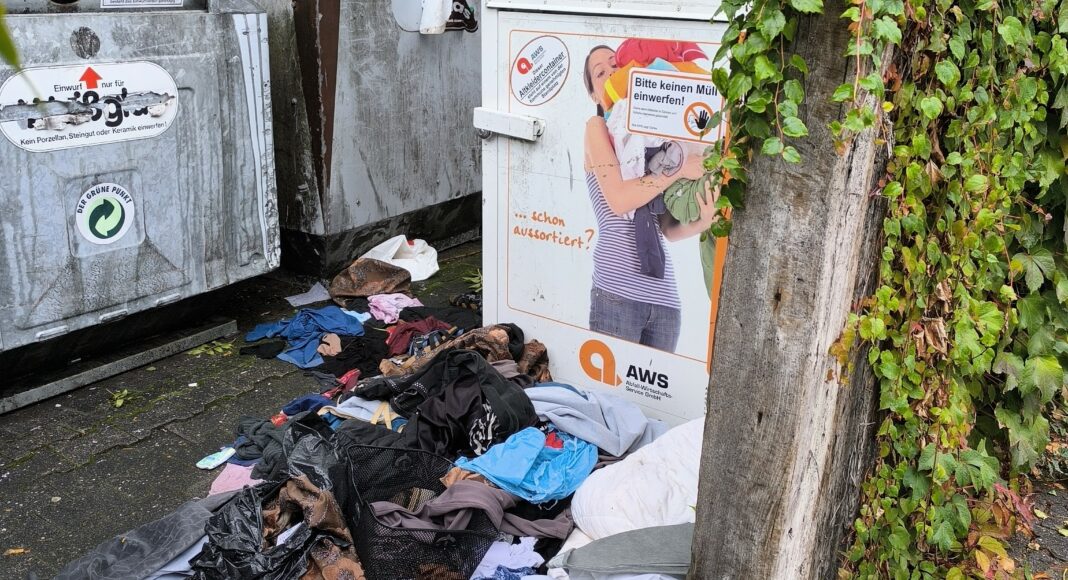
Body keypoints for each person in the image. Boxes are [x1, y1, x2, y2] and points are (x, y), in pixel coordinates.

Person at [582, 44, 719, 353]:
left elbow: (668, 230)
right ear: (593, 95)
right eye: (600, 73)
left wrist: (703, 221)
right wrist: (679, 168)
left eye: (616, 65)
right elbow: (619, 200)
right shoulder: (597, 128)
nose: (611, 73)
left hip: (665, 300)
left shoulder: (656, 135)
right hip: (616, 292)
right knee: (613, 384)